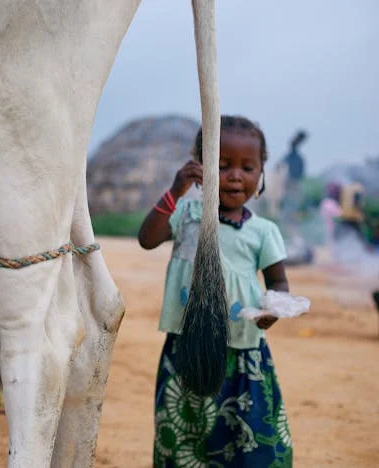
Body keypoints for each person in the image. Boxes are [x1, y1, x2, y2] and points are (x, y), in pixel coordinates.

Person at [137, 115, 293, 466]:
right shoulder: (186, 214)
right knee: (183, 435)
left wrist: (274, 307)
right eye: (222, 166)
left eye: (247, 168)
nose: (235, 176)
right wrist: (175, 191)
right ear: (199, 167)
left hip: (243, 351)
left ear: (261, 172)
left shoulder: (264, 231)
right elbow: (147, 239)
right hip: (188, 348)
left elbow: (278, 282)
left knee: (248, 437)